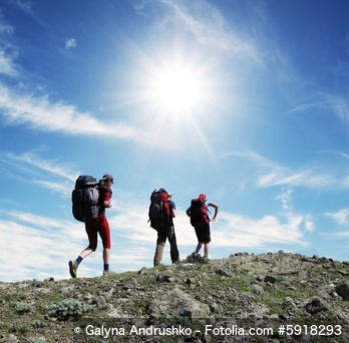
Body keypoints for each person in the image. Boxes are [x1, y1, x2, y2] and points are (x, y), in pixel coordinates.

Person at [69, 174, 114, 277]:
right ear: (108, 181)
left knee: (92, 245)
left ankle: (76, 262)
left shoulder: (92, 188)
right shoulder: (106, 191)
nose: (111, 184)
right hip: (100, 219)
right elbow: (105, 202)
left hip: (88, 220)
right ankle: (106, 270)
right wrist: (108, 204)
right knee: (107, 244)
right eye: (111, 182)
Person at [186, 193, 218, 260]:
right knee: (206, 242)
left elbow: (187, 211)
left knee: (200, 241)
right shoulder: (207, 202)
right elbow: (216, 207)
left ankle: (195, 254)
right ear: (204, 198)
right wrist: (214, 217)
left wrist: (192, 217)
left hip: (197, 224)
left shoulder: (194, 204)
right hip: (205, 223)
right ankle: (205, 257)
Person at [153, 192, 180, 266]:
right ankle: (175, 261)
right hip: (169, 226)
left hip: (160, 227)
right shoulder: (171, 203)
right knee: (173, 243)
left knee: (160, 244)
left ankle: (156, 263)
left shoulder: (158, 203)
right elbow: (174, 215)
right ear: (169, 197)